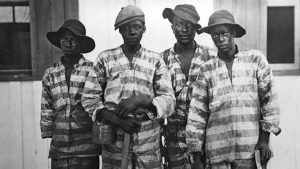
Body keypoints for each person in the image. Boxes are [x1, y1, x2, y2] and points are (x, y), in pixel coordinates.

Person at [81, 5, 175, 169]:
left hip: (148, 143)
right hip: (114, 142)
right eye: (126, 28)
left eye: (136, 27)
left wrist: (140, 100)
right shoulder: (105, 59)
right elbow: (89, 98)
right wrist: (115, 119)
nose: (131, 32)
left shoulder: (155, 60)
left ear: (144, 29)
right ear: (120, 31)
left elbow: (169, 101)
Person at [186, 10, 281, 169]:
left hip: (250, 150)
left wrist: (264, 141)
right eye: (215, 35)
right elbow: (197, 115)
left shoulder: (255, 60)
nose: (220, 39)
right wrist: (196, 158)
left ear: (233, 33)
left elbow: (269, 101)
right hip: (217, 153)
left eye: (224, 33)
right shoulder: (206, 70)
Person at [40, 19, 101, 169]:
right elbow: (46, 106)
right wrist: (47, 129)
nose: (67, 44)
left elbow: (98, 105)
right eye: (64, 39)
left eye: (73, 40)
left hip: (86, 148)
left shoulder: (91, 70)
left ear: (81, 43)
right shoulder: (51, 73)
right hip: (59, 148)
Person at [161, 4, 214, 169]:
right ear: (172, 28)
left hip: (206, 135)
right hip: (173, 138)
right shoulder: (162, 59)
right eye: (179, 24)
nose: (184, 29)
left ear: (196, 29)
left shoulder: (210, 57)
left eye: (189, 25)